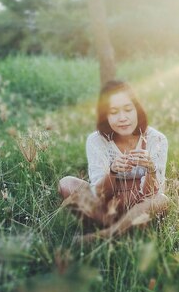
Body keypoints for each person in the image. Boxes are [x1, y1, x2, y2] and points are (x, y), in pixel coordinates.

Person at [58, 80, 169, 241]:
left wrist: (150, 170)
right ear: (105, 116)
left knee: (161, 200)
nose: (122, 118)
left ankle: (107, 235)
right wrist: (113, 172)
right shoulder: (96, 141)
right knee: (67, 183)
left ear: (137, 110)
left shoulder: (156, 139)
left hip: (140, 207)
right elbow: (99, 195)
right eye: (114, 112)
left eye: (128, 109)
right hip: (107, 208)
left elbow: (151, 194)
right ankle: (123, 227)